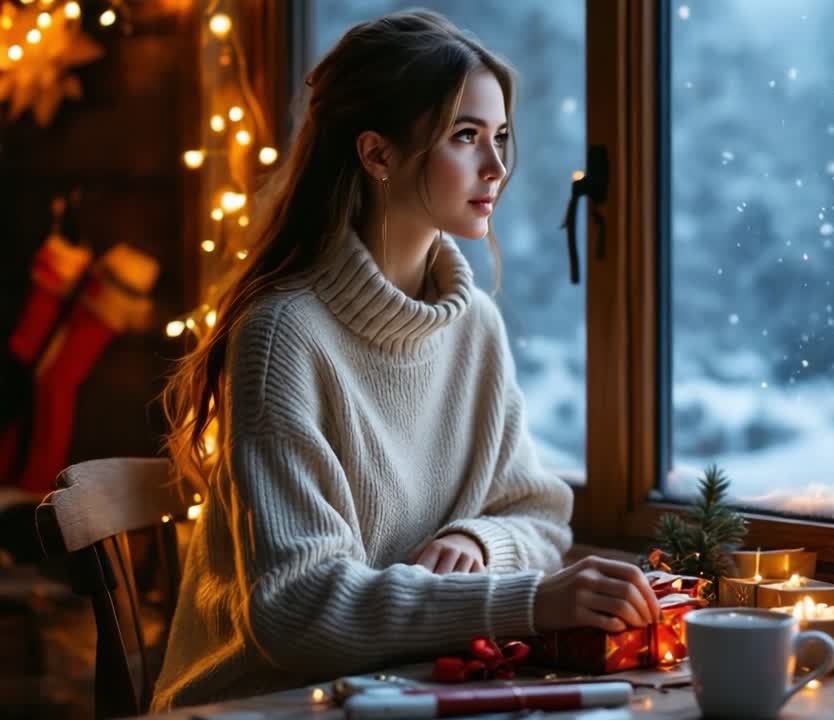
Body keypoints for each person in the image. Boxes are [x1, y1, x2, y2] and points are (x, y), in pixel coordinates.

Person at [152, 9, 659, 710]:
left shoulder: (473, 324)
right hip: (267, 704)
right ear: (378, 155)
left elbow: (540, 518)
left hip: (410, 694)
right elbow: (297, 611)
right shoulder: (282, 338)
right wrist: (530, 602)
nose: (497, 167)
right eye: (466, 137)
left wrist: (481, 543)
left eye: (501, 138)